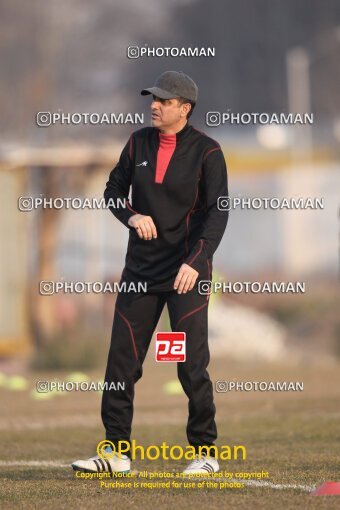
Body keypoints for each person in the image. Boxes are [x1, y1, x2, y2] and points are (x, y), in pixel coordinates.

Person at [72, 70, 229, 475]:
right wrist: (132, 215)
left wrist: (195, 263)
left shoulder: (208, 153)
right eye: (152, 99)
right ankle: (116, 454)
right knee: (121, 363)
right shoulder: (137, 142)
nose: (154, 105)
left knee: (190, 364)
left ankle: (206, 454)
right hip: (140, 273)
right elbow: (112, 192)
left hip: (185, 276)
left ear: (184, 108)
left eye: (163, 100)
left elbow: (216, 216)